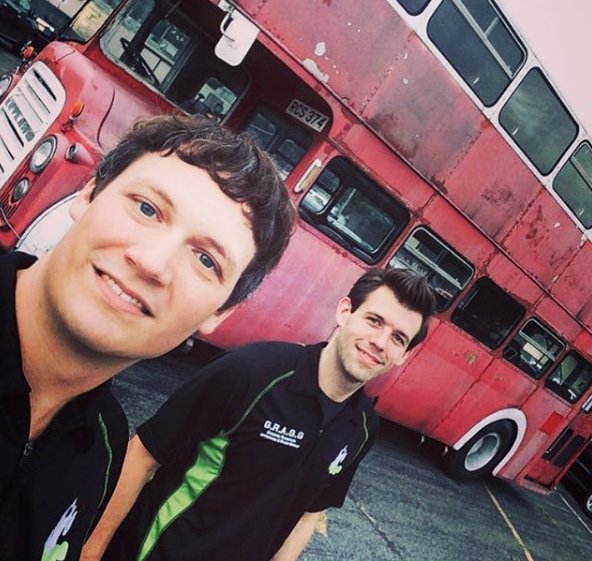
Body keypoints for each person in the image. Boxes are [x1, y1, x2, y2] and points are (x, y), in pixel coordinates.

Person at [0, 113, 294, 561]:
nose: (153, 263)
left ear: (219, 313)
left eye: (205, 260)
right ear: (89, 193)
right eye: (146, 208)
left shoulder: (102, 450)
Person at [83, 268, 436, 561]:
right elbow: (144, 454)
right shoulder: (252, 372)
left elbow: (308, 515)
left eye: (398, 338)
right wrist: (91, 551)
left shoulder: (362, 428)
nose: (380, 342)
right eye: (374, 320)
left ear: (403, 355)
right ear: (345, 312)